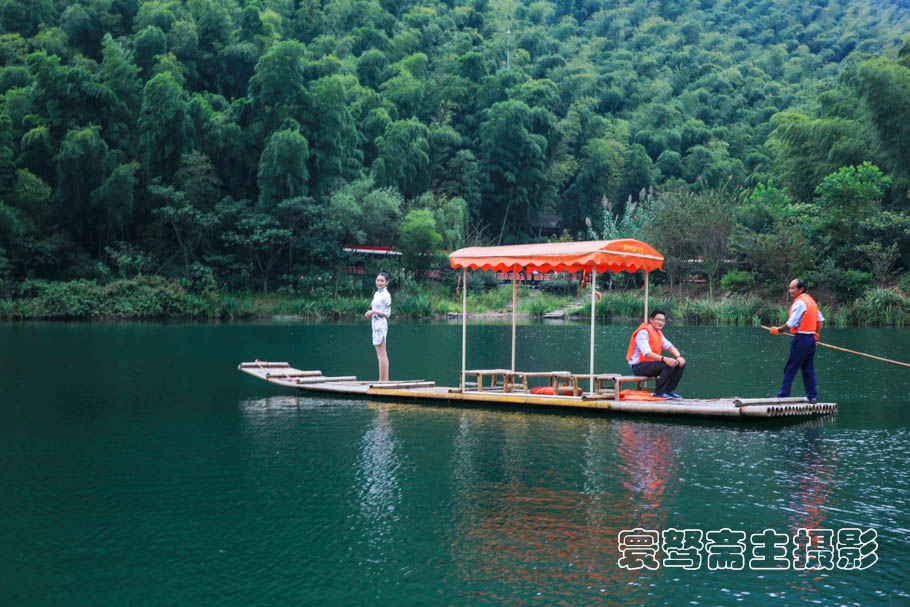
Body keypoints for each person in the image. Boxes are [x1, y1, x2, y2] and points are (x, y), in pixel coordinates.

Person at [769, 278, 824, 403]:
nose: (790, 291)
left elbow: (792, 322)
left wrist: (779, 330)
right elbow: (820, 320)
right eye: (789, 288)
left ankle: (783, 396)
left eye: (793, 288)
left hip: (802, 339)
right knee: (808, 368)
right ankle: (812, 396)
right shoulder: (811, 301)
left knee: (791, 367)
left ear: (801, 289)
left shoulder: (800, 303)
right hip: (810, 340)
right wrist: (815, 336)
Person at [626, 309, 686, 399]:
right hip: (638, 366)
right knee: (667, 364)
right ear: (651, 319)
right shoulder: (643, 332)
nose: (661, 322)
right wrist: (665, 359)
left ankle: (668, 391)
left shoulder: (658, 333)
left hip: (651, 364)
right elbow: (647, 353)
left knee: (680, 363)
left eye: (663, 321)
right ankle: (659, 392)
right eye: (658, 319)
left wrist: (678, 357)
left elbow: (669, 346)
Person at [365, 271, 391, 382]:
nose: (379, 282)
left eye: (382, 281)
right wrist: (370, 314)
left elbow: (387, 313)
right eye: (378, 280)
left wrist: (373, 312)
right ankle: (382, 379)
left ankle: (383, 380)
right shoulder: (377, 294)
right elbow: (375, 310)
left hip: (381, 325)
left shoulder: (386, 295)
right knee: (379, 353)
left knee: (382, 353)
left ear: (387, 282)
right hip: (375, 324)